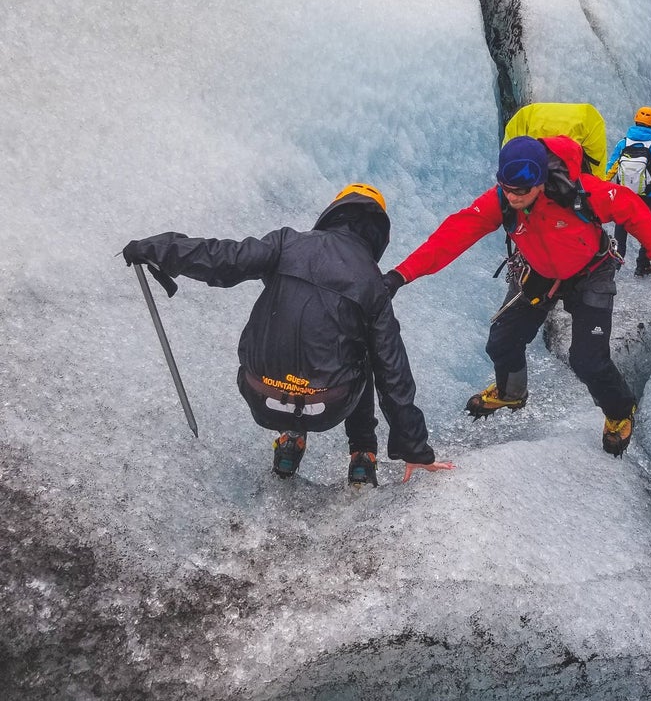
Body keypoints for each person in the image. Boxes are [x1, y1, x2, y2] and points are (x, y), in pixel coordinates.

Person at [381, 136, 651, 458]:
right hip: (540, 274)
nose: (513, 196)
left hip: (591, 273)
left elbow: (633, 210)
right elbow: (452, 236)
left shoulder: (582, 193)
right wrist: (401, 274)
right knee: (502, 341)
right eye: (506, 188)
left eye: (521, 191)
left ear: (540, 181)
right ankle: (511, 393)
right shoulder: (502, 200)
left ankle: (620, 410)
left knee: (587, 359)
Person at [122, 185, 453, 486]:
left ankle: (290, 437)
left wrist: (157, 248)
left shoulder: (287, 244)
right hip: (328, 406)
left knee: (291, 329)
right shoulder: (372, 283)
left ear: (333, 213)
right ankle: (363, 455)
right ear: (379, 234)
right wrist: (414, 448)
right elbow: (393, 375)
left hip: (259, 391)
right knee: (366, 352)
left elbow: (222, 258)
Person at [605, 107, 651, 276]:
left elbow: (611, 168)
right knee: (647, 232)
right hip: (648, 197)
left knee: (620, 231)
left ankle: (615, 264)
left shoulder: (623, 143)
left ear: (635, 120)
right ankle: (642, 265)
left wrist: (601, 187)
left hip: (624, 196)